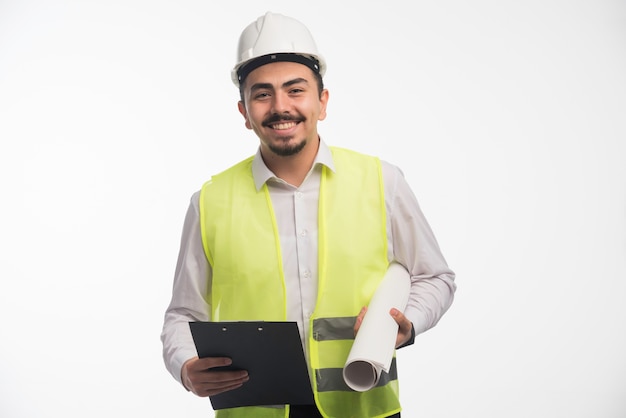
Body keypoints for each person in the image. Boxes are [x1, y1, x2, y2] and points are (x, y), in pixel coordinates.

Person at [161, 11, 456, 418]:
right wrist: (185, 367)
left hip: (363, 408)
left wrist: (407, 323)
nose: (280, 107)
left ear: (322, 101)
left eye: (295, 90)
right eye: (262, 94)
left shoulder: (382, 181)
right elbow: (183, 313)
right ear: (244, 112)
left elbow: (434, 277)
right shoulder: (210, 201)